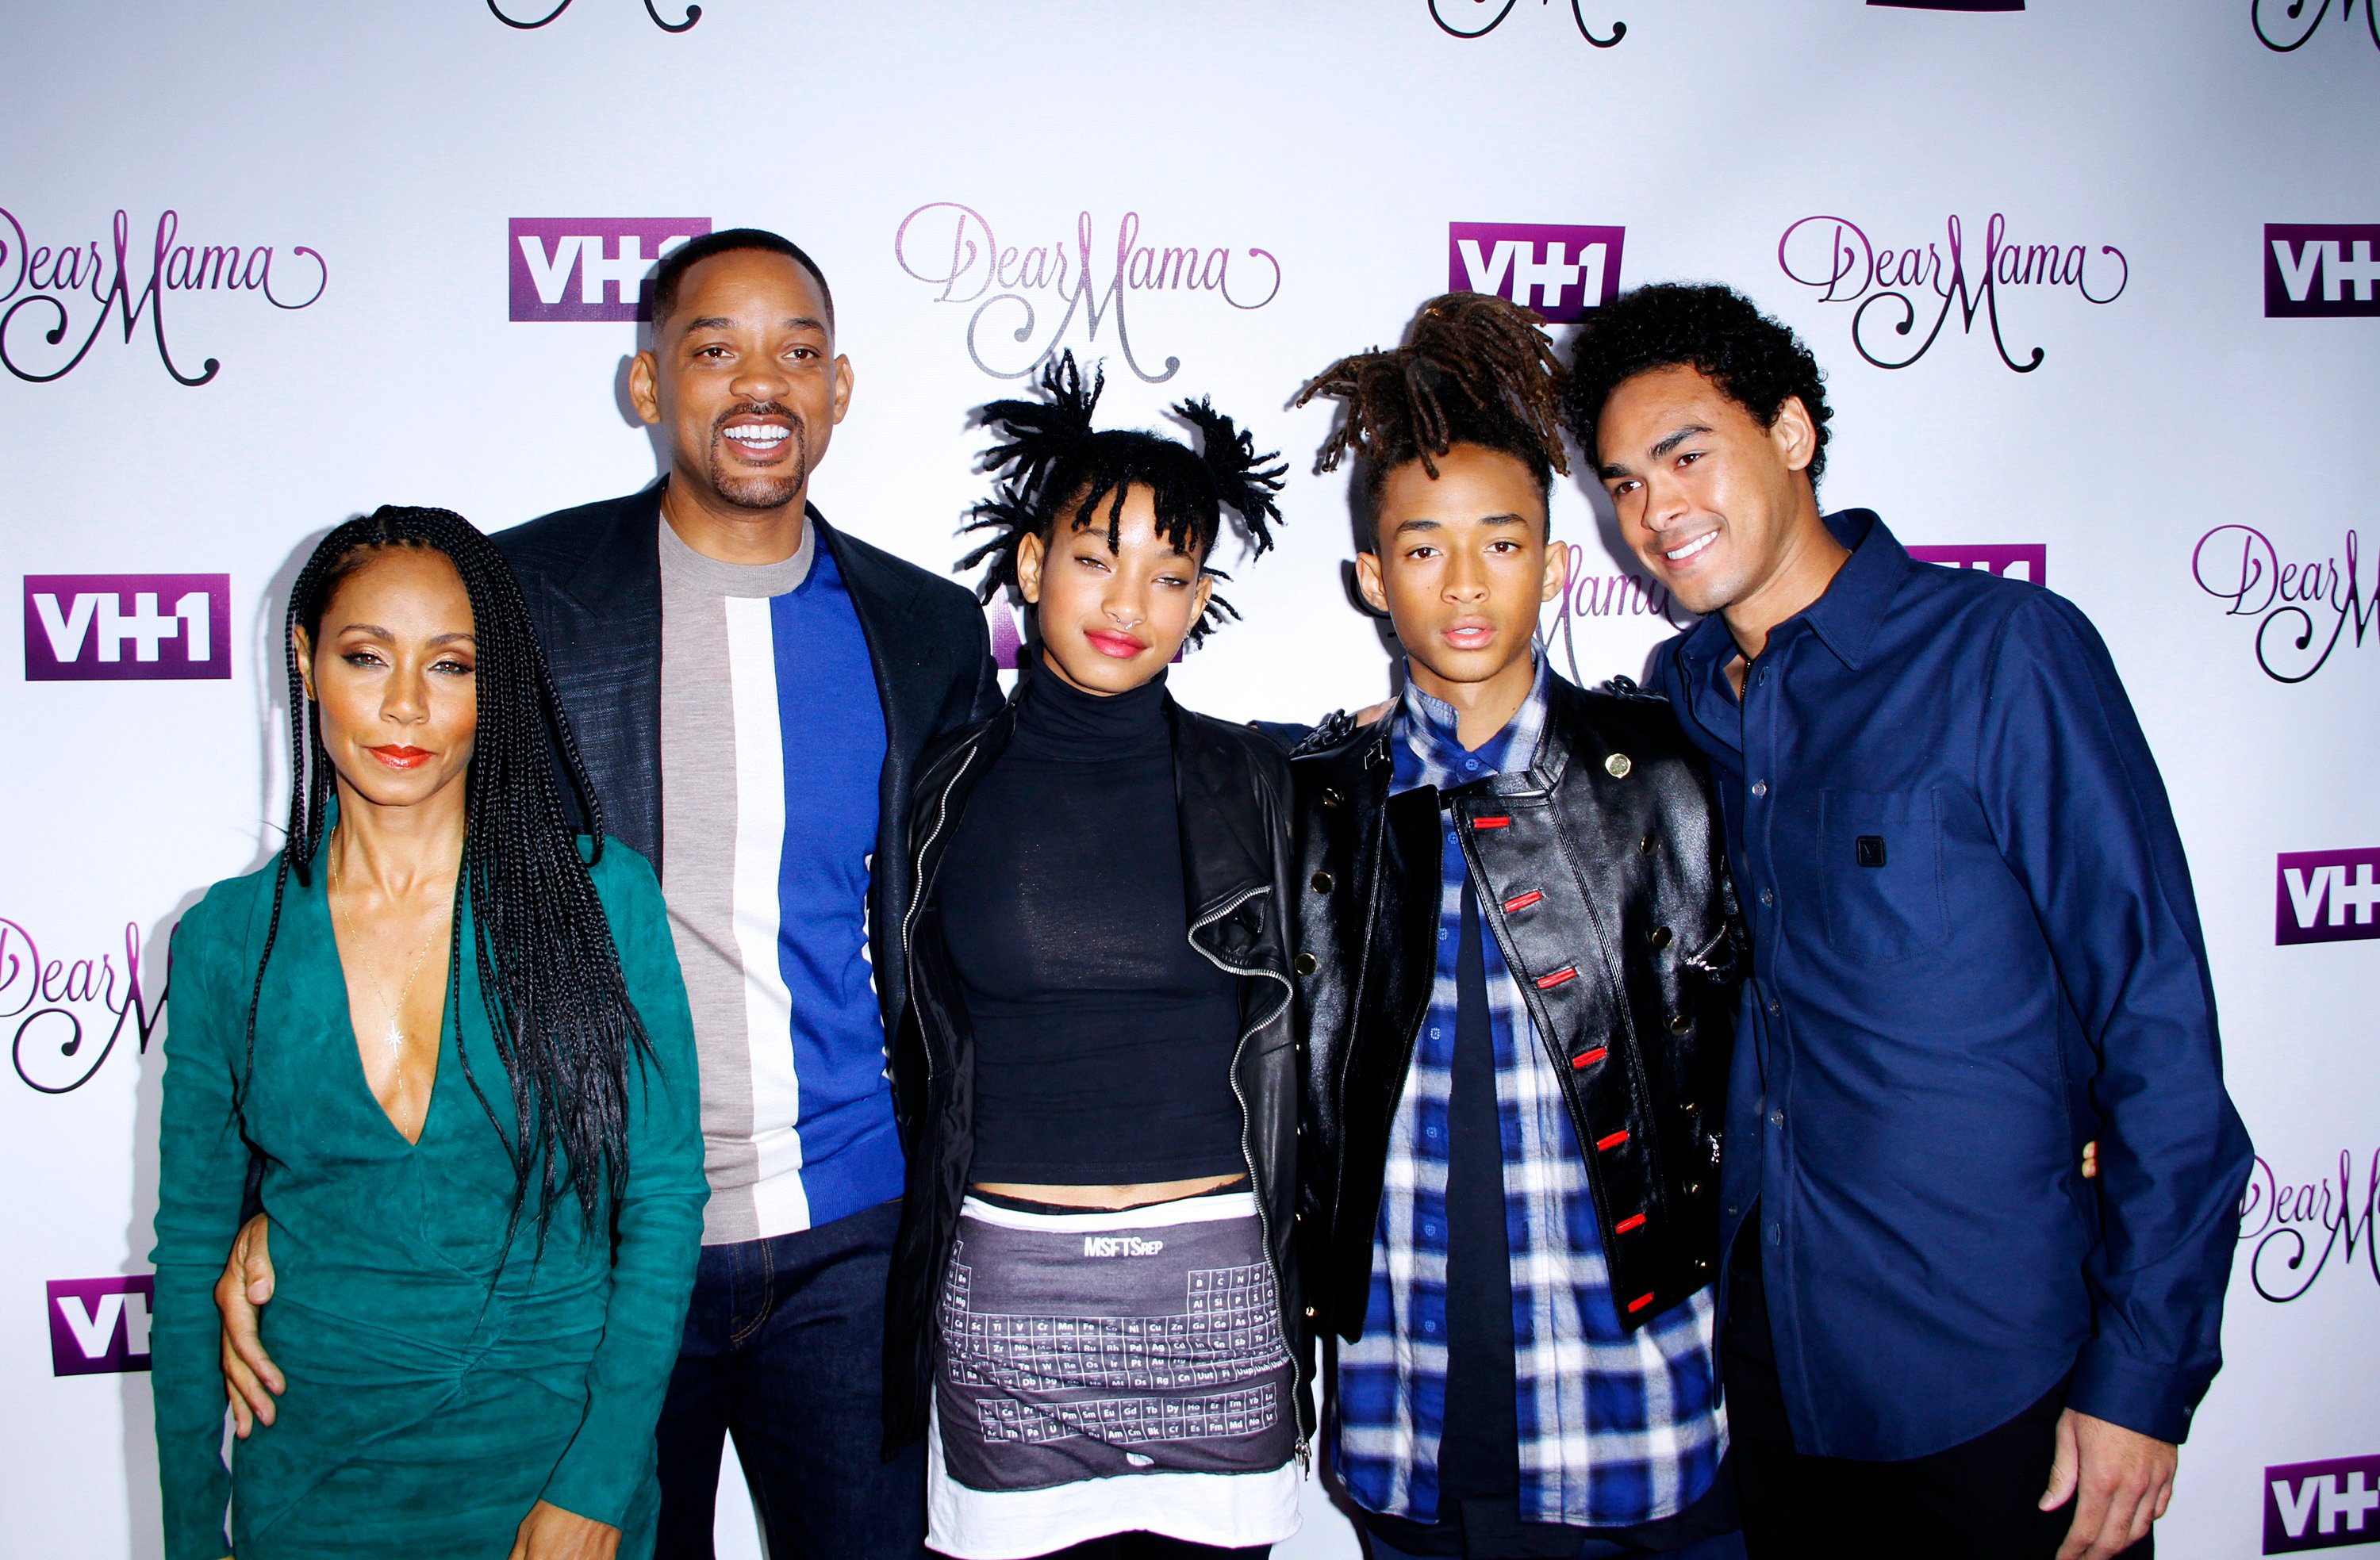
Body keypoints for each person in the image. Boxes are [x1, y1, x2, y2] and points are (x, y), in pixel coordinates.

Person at [211, 229, 1000, 1559]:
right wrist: (262, 1189)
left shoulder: (925, 628)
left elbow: (986, 909)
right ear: (647, 385)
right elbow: (369, 879)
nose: (762, 383)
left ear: (843, 386)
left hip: (852, 1231)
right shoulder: (517, 598)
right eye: (715, 350)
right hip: (590, 1236)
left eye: (797, 352)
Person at [1560, 282, 2254, 1560]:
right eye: (1621, 484)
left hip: (2005, 1378)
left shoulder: (2005, 655)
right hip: (1777, 1379)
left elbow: (2155, 1019)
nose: (1654, 514)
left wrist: (2141, 1382)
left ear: (1792, 432)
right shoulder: (1686, 697)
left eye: (1684, 455)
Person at [152, 508, 706, 1559]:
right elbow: (187, 1259)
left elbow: (666, 1198)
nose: (405, 704)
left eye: (450, 666)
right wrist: (190, 1533)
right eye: (367, 657)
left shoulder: (601, 899)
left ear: (491, 688)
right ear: (309, 662)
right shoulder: (228, 942)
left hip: (552, 1485)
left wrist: (598, 1480)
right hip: (314, 1490)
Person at [1286, 293, 1745, 1560]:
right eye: (1425, 549)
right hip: (1406, 1418)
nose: (1469, 582)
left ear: (1554, 562)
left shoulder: (1672, 772)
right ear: (1373, 580)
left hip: (1636, 1418)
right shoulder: (1316, 809)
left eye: (1503, 543)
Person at [880, 353, 1308, 1560]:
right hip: (1010, 1293)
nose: (1129, 601)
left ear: (1200, 597)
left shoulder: (1259, 783)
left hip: (1219, 1285)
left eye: (1170, 573)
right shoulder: (941, 785)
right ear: (1031, 564)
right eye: (1094, 556)